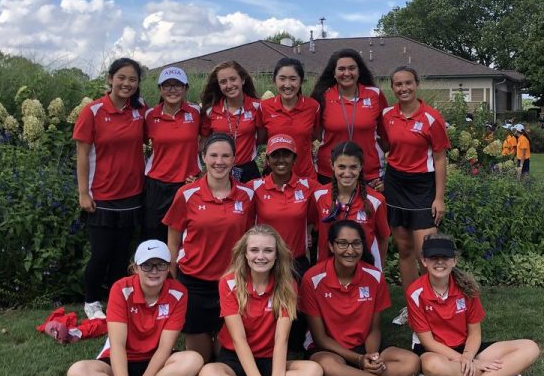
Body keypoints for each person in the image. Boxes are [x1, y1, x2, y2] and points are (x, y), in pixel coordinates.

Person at [299, 220, 451, 376]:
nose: (350, 250)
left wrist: (371, 357)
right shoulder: (312, 278)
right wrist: (359, 359)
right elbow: (320, 338)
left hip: (365, 347)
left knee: (411, 363)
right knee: (329, 367)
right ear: (331, 245)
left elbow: (374, 329)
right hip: (330, 350)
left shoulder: (374, 276)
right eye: (342, 243)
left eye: (356, 243)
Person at [66, 240, 203, 376]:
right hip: (119, 363)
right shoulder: (120, 288)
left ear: (168, 268)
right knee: (77, 373)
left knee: (194, 361)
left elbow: (164, 348)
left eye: (160, 264)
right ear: (135, 268)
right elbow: (118, 346)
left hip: (156, 366)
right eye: (147, 265)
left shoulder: (179, 292)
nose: (154, 271)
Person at [198, 225, 324, 376]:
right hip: (236, 359)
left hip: (271, 360)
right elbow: (238, 340)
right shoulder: (229, 282)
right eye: (254, 250)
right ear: (245, 254)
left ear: (276, 255)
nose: (261, 256)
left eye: (268, 250)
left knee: (314, 370)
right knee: (207, 374)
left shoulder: (288, 285)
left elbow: (281, 340)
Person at [407, 234, 540, 376]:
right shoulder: (415, 292)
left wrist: (469, 357)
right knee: (432, 365)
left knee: (530, 347)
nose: (440, 262)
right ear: (424, 261)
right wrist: (474, 362)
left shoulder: (466, 287)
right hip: (436, 353)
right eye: (433, 257)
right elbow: (429, 342)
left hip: (468, 350)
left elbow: (475, 333)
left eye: (445, 257)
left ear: (454, 261)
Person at [163, 134, 255, 361]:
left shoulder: (248, 195)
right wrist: (172, 277)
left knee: (226, 356)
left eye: (226, 156)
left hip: (233, 282)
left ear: (234, 159)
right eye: (213, 155)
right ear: (203, 157)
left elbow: (253, 237)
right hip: (194, 282)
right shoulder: (187, 194)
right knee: (199, 359)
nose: (219, 161)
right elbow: (173, 242)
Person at [73, 57, 146, 320]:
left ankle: (116, 301)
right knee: (101, 253)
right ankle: (92, 302)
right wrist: (83, 192)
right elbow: (82, 155)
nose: (127, 83)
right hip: (101, 195)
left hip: (132, 194)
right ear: (110, 79)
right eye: (122, 78)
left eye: (133, 79)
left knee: (121, 255)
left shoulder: (140, 111)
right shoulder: (92, 111)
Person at [379, 66, 450, 325]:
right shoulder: (386, 115)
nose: (403, 88)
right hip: (395, 185)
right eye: (398, 84)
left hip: (422, 188)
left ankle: (433, 307)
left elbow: (441, 159)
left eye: (408, 83)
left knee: (426, 252)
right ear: (392, 87)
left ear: (416, 84)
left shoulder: (432, 118)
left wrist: (439, 197)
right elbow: (384, 146)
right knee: (405, 250)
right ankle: (412, 307)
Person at [311, 49, 388, 187]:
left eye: (352, 68)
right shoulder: (322, 96)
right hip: (330, 172)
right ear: (333, 73)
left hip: (368, 172)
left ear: (359, 71)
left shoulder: (375, 95)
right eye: (341, 69)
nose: (347, 73)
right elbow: (313, 134)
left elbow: (386, 135)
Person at [309, 141, 390, 270]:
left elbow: (383, 238)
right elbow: (311, 226)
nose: (347, 173)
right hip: (326, 271)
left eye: (353, 167)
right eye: (341, 167)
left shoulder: (376, 201)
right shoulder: (319, 196)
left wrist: (377, 270)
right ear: (332, 165)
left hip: (364, 271)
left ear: (361, 166)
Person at [142, 67, 201, 241]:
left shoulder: (196, 112)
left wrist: (199, 171)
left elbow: (206, 140)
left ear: (186, 89)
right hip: (157, 183)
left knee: (185, 235)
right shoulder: (150, 115)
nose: (172, 90)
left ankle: (178, 269)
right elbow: (144, 142)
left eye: (178, 85)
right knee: (153, 233)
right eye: (167, 85)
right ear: (160, 89)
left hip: (187, 183)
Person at [250, 135, 315, 280]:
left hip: (297, 262)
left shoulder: (309, 186)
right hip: (264, 263)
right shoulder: (253, 187)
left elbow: (333, 196)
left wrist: (308, 233)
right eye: (275, 155)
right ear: (267, 160)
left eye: (286, 155)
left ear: (294, 159)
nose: (280, 160)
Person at [200, 60, 263, 183]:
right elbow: (203, 144)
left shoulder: (257, 107)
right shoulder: (210, 111)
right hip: (219, 170)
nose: (229, 85)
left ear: (242, 80)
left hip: (247, 170)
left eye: (233, 79)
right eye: (223, 82)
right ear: (218, 85)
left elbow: (261, 138)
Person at [260, 57, 320, 181]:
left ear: (301, 81)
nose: (287, 85)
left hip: (305, 177)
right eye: (282, 79)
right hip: (274, 178)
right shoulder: (264, 107)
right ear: (274, 80)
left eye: (293, 79)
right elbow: (260, 138)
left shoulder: (313, 106)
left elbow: (315, 135)